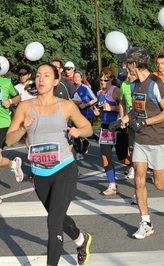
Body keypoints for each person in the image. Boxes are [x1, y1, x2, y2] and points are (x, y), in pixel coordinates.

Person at [5, 63, 92, 266]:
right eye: (38, 75)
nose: (41, 79)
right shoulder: (26, 107)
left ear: (55, 81)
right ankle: (81, 239)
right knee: (58, 217)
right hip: (39, 173)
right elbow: (9, 140)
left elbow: (87, 127)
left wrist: (79, 132)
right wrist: (22, 129)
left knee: (53, 222)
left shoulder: (66, 106)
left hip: (64, 169)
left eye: (46, 75)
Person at [109, 47, 164, 239]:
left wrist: (144, 122)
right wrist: (122, 121)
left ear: (134, 64)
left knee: (160, 184)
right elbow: (135, 112)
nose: (125, 69)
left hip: (159, 140)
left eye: (127, 64)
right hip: (141, 140)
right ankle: (146, 223)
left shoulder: (156, 83)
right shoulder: (134, 85)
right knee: (138, 180)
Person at [96, 66, 126, 196]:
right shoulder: (99, 93)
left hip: (118, 127)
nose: (103, 82)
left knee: (123, 159)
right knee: (105, 157)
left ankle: (143, 169)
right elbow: (102, 110)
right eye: (101, 79)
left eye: (106, 80)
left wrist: (113, 108)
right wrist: (97, 113)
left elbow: (124, 106)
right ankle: (112, 185)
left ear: (112, 79)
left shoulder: (116, 91)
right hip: (105, 127)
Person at [0, 73, 23, 205]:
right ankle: (13, 164)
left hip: (2, 124)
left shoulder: (6, 82)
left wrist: (9, 101)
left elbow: (17, 97)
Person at [73, 70, 98, 158]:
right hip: (77, 114)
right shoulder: (72, 87)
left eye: (77, 76)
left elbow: (95, 99)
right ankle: (80, 151)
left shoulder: (85, 87)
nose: (76, 78)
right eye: (74, 76)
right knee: (77, 132)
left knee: (85, 132)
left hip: (87, 113)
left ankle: (93, 138)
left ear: (81, 78)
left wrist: (86, 104)